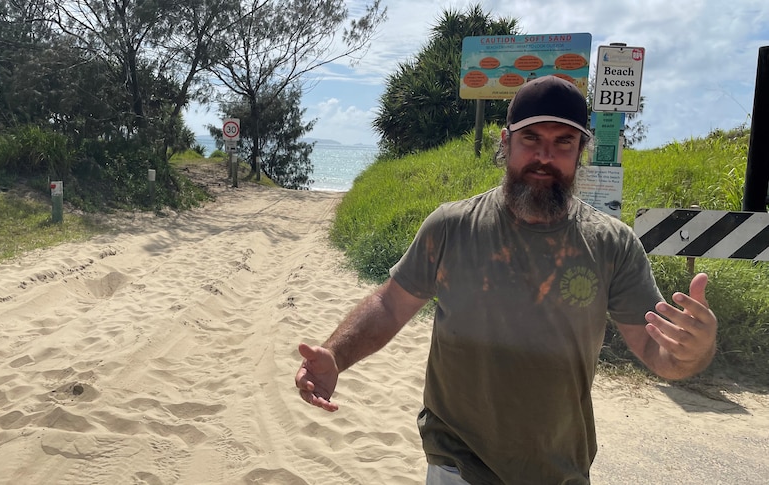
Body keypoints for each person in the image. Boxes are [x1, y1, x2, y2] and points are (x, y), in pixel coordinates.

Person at [294, 75, 718, 484]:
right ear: (506, 142)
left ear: (581, 151)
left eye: (563, 142)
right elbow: (390, 305)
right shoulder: (452, 227)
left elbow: (654, 347)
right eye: (531, 139)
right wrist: (336, 355)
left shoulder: (612, 244)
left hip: (561, 466)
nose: (544, 157)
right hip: (458, 460)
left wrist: (692, 352)